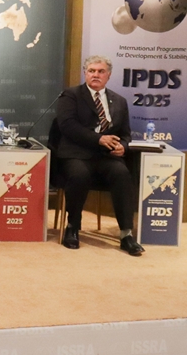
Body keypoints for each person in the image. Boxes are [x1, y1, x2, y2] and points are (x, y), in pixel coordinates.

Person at [54, 54, 143, 256]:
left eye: (101, 71)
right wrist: (98, 139)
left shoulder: (119, 101)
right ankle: (72, 227)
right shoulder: (71, 95)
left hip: (106, 157)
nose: (96, 75)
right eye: (91, 71)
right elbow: (67, 126)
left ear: (108, 75)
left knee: (122, 174)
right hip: (76, 153)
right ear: (85, 73)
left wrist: (123, 147)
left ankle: (126, 235)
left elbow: (126, 134)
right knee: (79, 174)